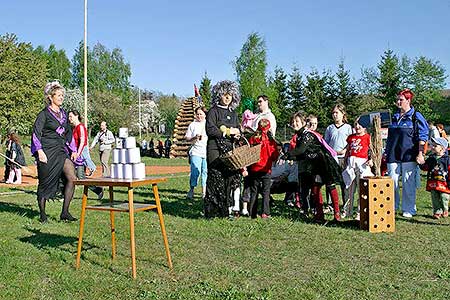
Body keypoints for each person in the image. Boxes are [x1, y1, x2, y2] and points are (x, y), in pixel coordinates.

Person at [31, 81, 78, 223]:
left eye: (62, 95)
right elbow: (36, 133)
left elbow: (68, 132)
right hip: (46, 151)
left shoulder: (63, 114)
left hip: (60, 151)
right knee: (44, 183)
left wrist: (74, 149)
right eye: (58, 95)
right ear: (51, 97)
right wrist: (39, 151)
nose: (61, 97)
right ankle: (43, 214)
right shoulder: (44, 114)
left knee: (72, 177)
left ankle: (65, 212)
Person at [286, 111, 342, 223]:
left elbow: (300, 150)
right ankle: (319, 215)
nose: (294, 123)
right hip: (313, 165)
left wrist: (287, 154)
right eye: (293, 121)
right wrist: (290, 158)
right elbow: (302, 155)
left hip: (323, 162)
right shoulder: (299, 136)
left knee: (330, 186)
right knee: (316, 189)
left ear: (303, 123)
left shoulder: (307, 134)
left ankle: (337, 214)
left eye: (297, 121)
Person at [385, 88, 428, 218]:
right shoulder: (393, 116)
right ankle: (392, 206)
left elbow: (423, 136)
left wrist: (420, 154)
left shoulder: (416, 116)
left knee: (408, 183)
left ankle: (409, 209)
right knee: (391, 181)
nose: (398, 102)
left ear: (408, 100)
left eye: (401, 99)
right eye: (397, 99)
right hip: (393, 154)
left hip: (409, 154)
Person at [204, 80, 242, 218]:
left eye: (230, 95)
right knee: (215, 177)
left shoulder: (233, 113)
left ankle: (225, 211)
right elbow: (210, 129)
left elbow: (238, 129)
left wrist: (237, 134)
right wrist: (226, 132)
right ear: (219, 95)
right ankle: (211, 211)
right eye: (225, 94)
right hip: (214, 148)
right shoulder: (213, 111)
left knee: (228, 179)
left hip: (229, 149)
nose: (227, 97)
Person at [341, 117, 373, 219]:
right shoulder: (351, 137)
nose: (357, 126)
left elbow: (372, 150)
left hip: (362, 164)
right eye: (356, 124)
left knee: (361, 189)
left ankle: (360, 212)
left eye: (360, 124)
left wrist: (371, 159)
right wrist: (345, 161)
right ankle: (347, 210)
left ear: (365, 127)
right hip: (351, 163)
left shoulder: (367, 137)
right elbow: (348, 150)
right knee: (349, 188)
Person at [247, 119, 279, 218]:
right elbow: (274, 155)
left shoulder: (253, 138)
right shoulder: (270, 140)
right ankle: (265, 212)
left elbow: (248, 152)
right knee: (266, 191)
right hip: (266, 168)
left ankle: (252, 212)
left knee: (254, 191)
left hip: (254, 168)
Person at [68, 110, 103, 199]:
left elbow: (83, 142)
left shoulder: (81, 127)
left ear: (76, 116)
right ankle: (65, 194)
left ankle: (98, 190)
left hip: (79, 155)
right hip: (75, 154)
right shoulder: (74, 128)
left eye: (71, 116)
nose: (69, 118)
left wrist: (78, 154)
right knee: (70, 175)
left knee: (81, 177)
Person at [324, 103, 352, 211]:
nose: (335, 115)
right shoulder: (330, 128)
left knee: (344, 183)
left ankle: (345, 206)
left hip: (343, 159)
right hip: (332, 159)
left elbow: (351, 142)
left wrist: (345, 150)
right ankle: (330, 205)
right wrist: (331, 152)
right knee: (330, 182)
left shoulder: (348, 128)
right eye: (333, 113)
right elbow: (325, 143)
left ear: (342, 113)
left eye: (337, 112)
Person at [418, 137, 450, 219]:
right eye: (432, 145)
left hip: (444, 183)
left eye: (435, 146)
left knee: (444, 197)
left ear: (442, 148)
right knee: (434, 197)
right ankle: (437, 212)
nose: (432, 147)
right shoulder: (431, 158)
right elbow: (426, 167)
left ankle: (445, 210)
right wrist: (421, 163)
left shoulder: (447, 159)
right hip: (433, 182)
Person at [185, 106, 208, 199]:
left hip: (207, 151)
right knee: (195, 171)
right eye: (197, 114)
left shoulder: (209, 124)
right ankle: (192, 189)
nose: (199, 116)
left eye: (201, 114)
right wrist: (194, 137)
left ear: (205, 115)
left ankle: (204, 191)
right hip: (196, 151)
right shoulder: (192, 125)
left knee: (205, 172)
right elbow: (187, 137)